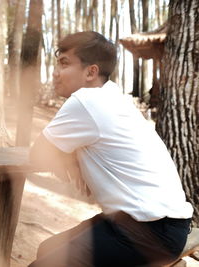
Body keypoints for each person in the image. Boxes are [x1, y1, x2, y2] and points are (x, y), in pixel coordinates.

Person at [28, 31, 193, 267]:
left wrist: (68, 157)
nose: (55, 72)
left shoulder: (86, 100)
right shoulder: (111, 95)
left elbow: (39, 154)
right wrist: (73, 159)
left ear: (90, 72)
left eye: (64, 64)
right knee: (48, 249)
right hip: (159, 225)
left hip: (150, 232)